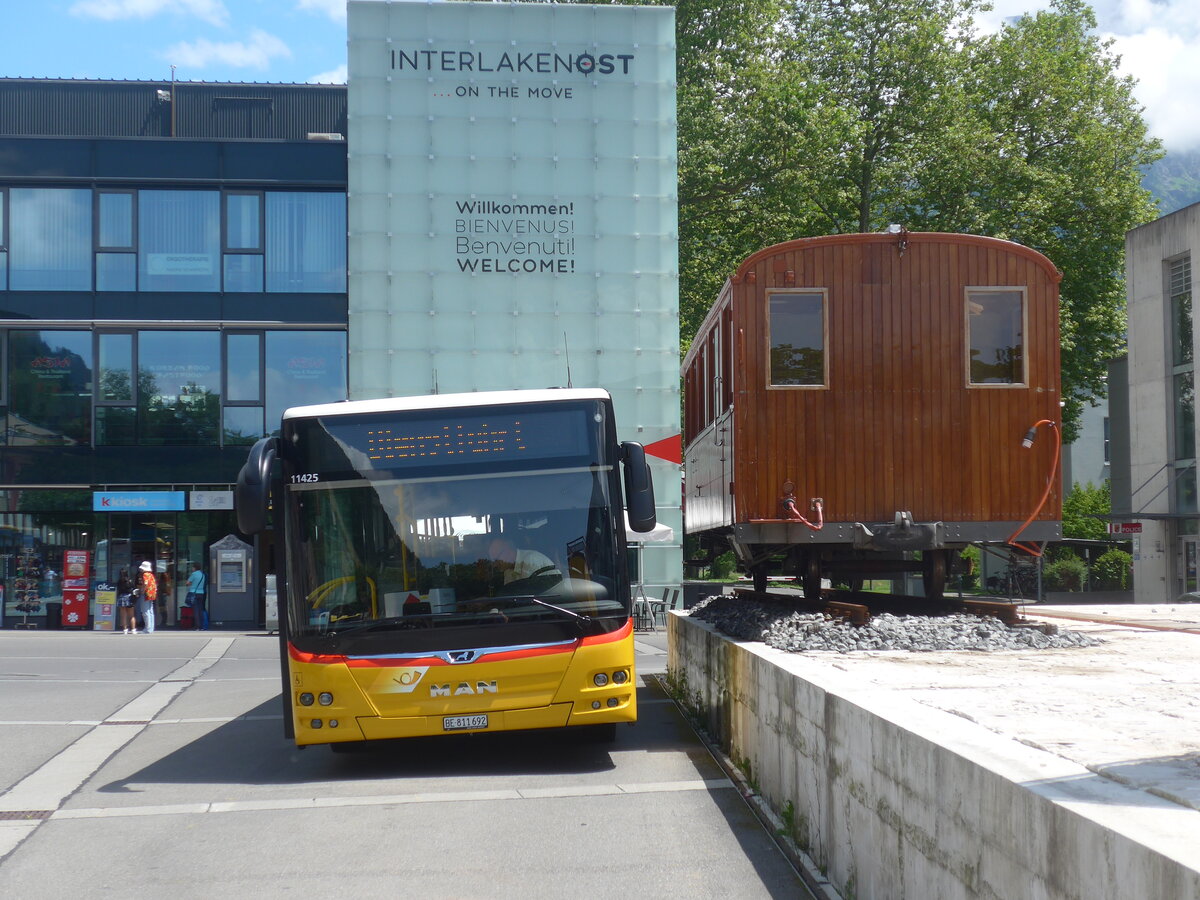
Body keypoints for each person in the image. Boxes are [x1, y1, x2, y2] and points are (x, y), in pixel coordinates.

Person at [488, 535, 559, 586]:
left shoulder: (530, 561)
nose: (495, 565)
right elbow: (511, 596)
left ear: (507, 550)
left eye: (496, 559)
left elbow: (528, 596)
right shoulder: (508, 571)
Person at [136, 560, 158, 634]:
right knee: (150, 611)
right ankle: (151, 628)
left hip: (145, 594)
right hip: (151, 594)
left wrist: (142, 590)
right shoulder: (151, 575)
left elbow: (145, 583)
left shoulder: (145, 575)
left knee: (145, 611)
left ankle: (147, 628)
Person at [186, 562, 208, 630]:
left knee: (195, 610)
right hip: (201, 593)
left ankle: (197, 626)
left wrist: (191, 583)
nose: (192, 568)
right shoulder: (202, 575)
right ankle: (202, 626)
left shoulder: (194, 574)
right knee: (200, 610)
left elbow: (187, 583)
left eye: (192, 567)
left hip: (194, 593)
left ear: (195, 568)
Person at [116, 567, 136, 634]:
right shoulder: (130, 581)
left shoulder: (119, 581)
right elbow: (134, 588)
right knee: (131, 615)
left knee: (123, 615)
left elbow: (118, 590)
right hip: (129, 597)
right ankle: (133, 629)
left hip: (121, 597)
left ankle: (125, 630)